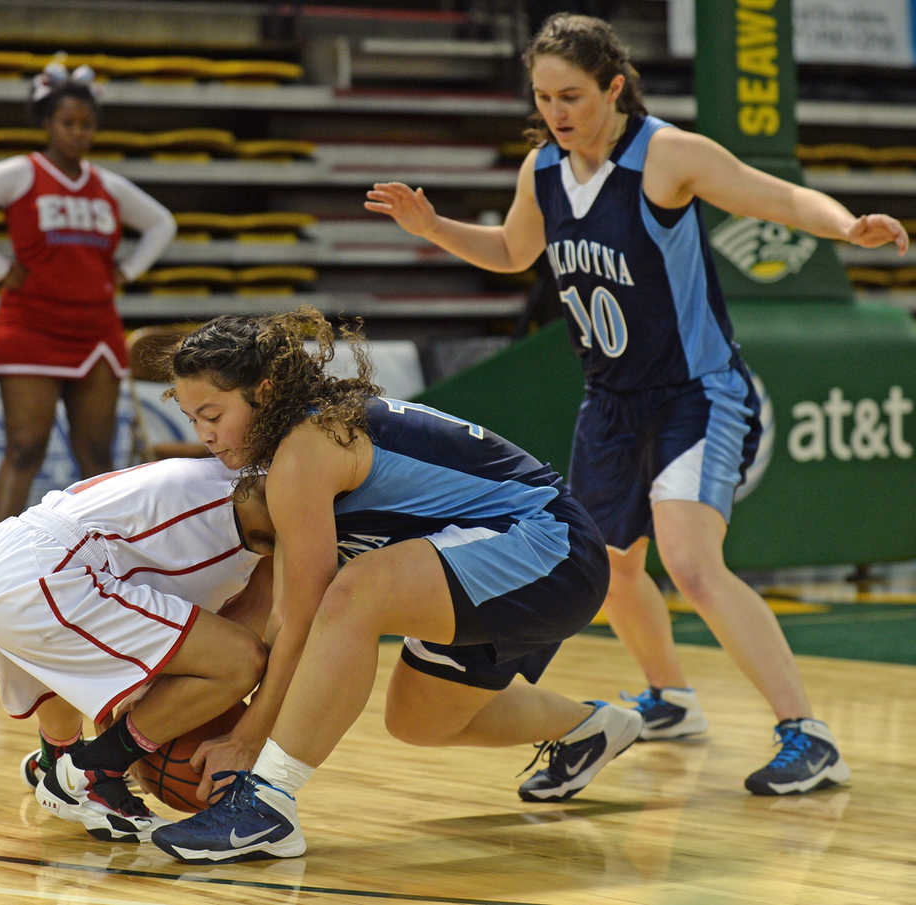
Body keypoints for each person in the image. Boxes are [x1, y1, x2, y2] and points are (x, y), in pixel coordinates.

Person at [364, 13, 909, 796]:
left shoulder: (667, 155)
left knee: (689, 560)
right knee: (608, 567)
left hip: (697, 392)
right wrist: (434, 226)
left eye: (573, 95)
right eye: (545, 96)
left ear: (615, 86)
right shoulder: (542, 171)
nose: (557, 111)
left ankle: (808, 733)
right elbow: (516, 253)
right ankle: (672, 697)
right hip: (610, 401)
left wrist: (845, 226)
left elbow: (774, 196)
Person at [148, 306, 642, 863]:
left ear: (263, 391)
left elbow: (307, 614)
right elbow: (278, 612)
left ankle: (267, 805)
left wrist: (249, 738)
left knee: (357, 591)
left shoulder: (307, 446)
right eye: (193, 420)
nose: (206, 435)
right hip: (490, 562)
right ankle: (592, 727)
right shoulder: (295, 446)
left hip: (548, 549)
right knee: (419, 720)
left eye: (213, 414)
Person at [0, 455, 269, 843]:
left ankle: (57, 759)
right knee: (240, 659)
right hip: (47, 574)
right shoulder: (278, 500)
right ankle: (92, 775)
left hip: (0, 557)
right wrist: (241, 738)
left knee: (65, 655)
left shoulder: (222, 476)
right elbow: (264, 642)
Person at [0, 60, 177, 526]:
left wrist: (129, 269)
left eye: (87, 125)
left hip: (96, 328)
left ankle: (108, 562)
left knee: (97, 456)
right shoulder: (20, 173)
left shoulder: (107, 183)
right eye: (68, 123)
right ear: (46, 122)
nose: (78, 133)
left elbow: (162, 223)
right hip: (30, 326)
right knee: (25, 449)